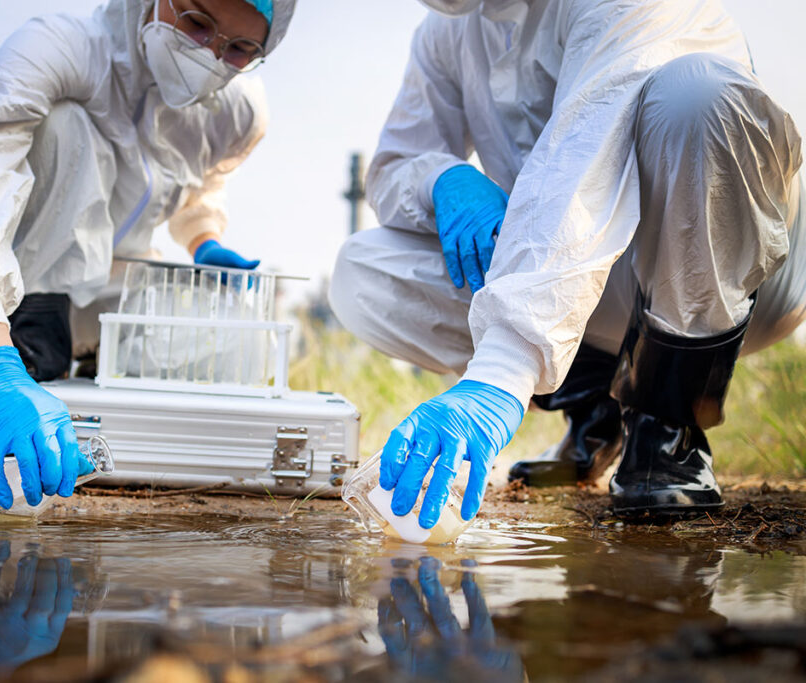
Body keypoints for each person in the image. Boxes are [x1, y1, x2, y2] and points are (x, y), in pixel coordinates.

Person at [329, 0, 806, 526]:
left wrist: (500, 374)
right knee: (365, 269)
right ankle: (593, 413)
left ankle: (666, 428)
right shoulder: (448, 28)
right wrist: (441, 178)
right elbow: (396, 163)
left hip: (731, 263)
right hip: (585, 280)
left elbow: (583, 166)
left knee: (697, 97)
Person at [0, 0, 296, 509]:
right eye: (197, 23)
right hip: (12, 288)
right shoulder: (64, 48)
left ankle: (85, 394)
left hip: (114, 287)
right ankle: (30, 368)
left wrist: (203, 240)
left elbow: (203, 181)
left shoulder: (237, 109)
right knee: (66, 128)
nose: (211, 55)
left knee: (234, 340)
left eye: (239, 49)